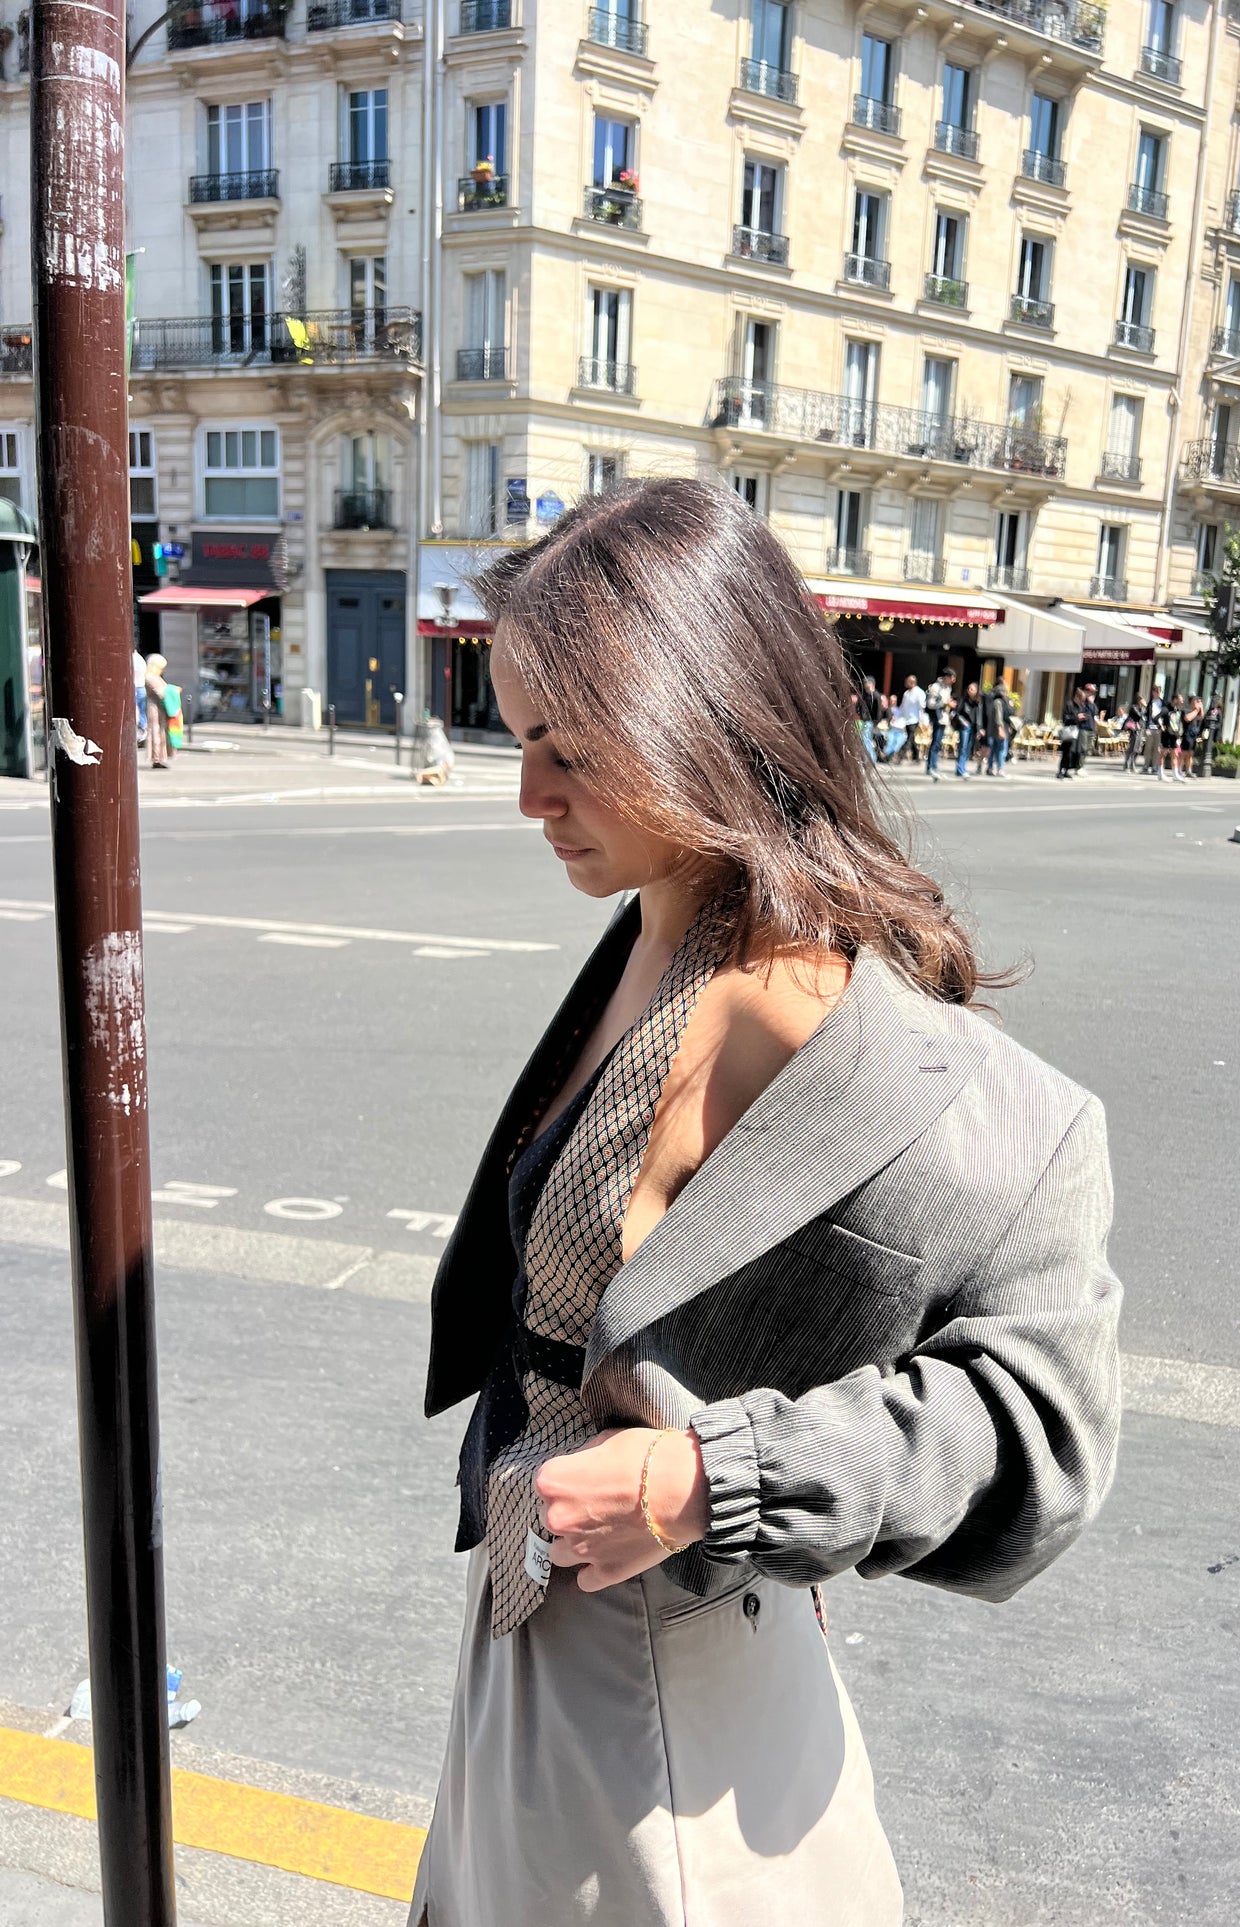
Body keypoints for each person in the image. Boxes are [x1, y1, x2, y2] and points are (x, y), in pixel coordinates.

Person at [408, 479, 1122, 1927]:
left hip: (653, 1701)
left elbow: (1043, 1426)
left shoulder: (831, 1021)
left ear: (703, 720)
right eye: (519, 737)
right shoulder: (656, 929)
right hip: (545, 1629)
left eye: (569, 750)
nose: (529, 796)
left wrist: (712, 1479)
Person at [925, 668, 955, 781]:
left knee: (938, 743)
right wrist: (945, 702)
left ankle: (934, 765)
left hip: (944, 717)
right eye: (951, 678)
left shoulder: (948, 688)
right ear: (946, 677)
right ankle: (931, 766)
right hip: (937, 717)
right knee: (935, 742)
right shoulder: (935, 687)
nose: (952, 681)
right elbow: (930, 703)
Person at [143, 653, 171, 769]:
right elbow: (161, 692)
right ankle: (156, 758)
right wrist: (173, 691)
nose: (163, 670)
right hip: (154, 707)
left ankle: (159, 757)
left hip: (159, 707)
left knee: (160, 731)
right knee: (156, 730)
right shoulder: (150, 677)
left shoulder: (156, 677)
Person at [892, 673, 924, 763]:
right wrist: (896, 715)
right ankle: (916, 756)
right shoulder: (906, 694)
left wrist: (922, 720)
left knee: (908, 739)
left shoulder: (919, 693)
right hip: (907, 720)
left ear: (912, 682)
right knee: (911, 738)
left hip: (915, 719)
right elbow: (902, 707)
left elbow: (922, 707)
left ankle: (900, 757)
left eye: (907, 682)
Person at [953, 679, 981, 777]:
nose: (970, 690)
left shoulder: (977, 703)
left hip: (973, 727)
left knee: (968, 749)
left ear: (976, 691)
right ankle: (961, 769)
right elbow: (956, 713)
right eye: (969, 689)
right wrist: (963, 722)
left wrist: (979, 730)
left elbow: (979, 717)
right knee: (963, 747)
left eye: (972, 689)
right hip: (965, 726)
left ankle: (961, 768)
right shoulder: (963, 700)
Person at [983, 682, 1011, 776]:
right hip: (998, 730)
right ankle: (999, 769)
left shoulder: (994, 702)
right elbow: (999, 717)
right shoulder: (999, 702)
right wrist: (1000, 729)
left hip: (993, 730)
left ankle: (990, 768)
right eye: (1005, 692)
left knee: (993, 749)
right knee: (1001, 750)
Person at [854, 675, 881, 764]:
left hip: (870, 721)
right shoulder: (863, 695)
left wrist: (876, 723)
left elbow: (878, 711)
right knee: (864, 740)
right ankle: (869, 759)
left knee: (866, 740)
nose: (865, 684)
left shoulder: (876, 696)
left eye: (867, 682)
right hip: (862, 720)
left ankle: (872, 759)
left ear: (872, 684)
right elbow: (858, 707)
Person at [1158, 693, 1184, 781]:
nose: (1182, 701)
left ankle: (1175, 774)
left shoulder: (1177, 710)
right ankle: (1160, 773)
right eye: (1180, 700)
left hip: (1174, 735)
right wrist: (1161, 726)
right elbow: (1156, 718)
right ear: (1175, 700)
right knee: (1163, 753)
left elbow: (1178, 722)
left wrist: (1179, 734)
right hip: (1166, 734)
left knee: (1175, 754)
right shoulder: (1166, 709)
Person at [1057, 689, 1082, 779]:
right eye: (1080, 699)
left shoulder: (1079, 707)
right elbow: (1065, 717)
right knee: (1066, 752)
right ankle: (1060, 771)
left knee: (1072, 753)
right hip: (1068, 731)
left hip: (1075, 732)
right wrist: (1076, 717)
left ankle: (1067, 770)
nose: (1080, 702)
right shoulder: (1069, 705)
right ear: (1076, 697)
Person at [1074, 683, 1098, 771]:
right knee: (1082, 748)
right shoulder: (1083, 701)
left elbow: (1095, 712)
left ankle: (1081, 766)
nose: (1092, 694)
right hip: (1083, 727)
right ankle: (1078, 767)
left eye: (1093, 692)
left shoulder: (1092, 703)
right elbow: (1084, 713)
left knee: (1087, 749)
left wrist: (1092, 703)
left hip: (1090, 727)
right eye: (1090, 692)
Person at [1121, 697, 1143, 773]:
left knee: (1137, 749)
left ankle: (1132, 765)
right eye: (1142, 700)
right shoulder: (1134, 708)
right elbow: (1139, 716)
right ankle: (1127, 765)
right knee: (1132, 748)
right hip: (1134, 730)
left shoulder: (1141, 708)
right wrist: (1143, 708)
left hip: (1139, 730)